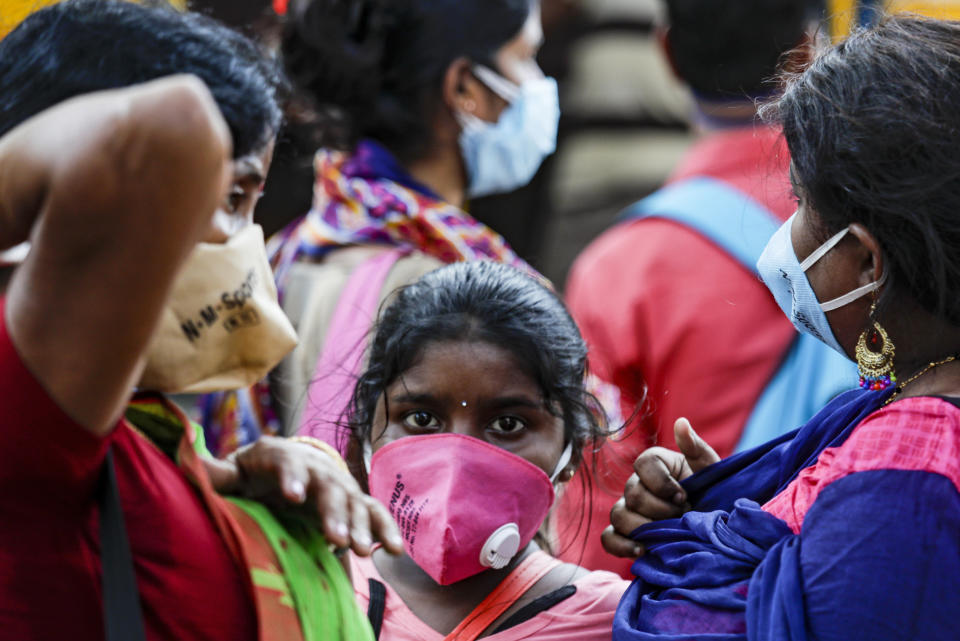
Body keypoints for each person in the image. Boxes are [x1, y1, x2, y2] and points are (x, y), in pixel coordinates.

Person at [0, 2, 400, 639]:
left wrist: (225, 481)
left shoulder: (128, 428)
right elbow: (173, 125)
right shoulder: (35, 409)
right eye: (232, 195)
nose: (240, 244)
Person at [604, 14, 960, 640]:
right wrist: (728, 506)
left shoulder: (901, 495)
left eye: (799, 203)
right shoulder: (904, 406)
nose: (786, 233)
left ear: (866, 262)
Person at [554, 0, 854, 578]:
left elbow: (597, 509)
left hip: (704, 593)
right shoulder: (873, 222)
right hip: (853, 569)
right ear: (807, 51)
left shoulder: (620, 266)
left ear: (666, 53)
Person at [201, 0, 561, 458]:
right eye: (525, 56)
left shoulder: (289, 251)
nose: (537, 84)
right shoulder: (452, 295)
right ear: (465, 86)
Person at [342, 260, 627, 640]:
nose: (457, 463)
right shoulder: (310, 586)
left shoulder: (616, 622)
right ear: (367, 428)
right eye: (422, 419)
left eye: (507, 425)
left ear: (571, 450)